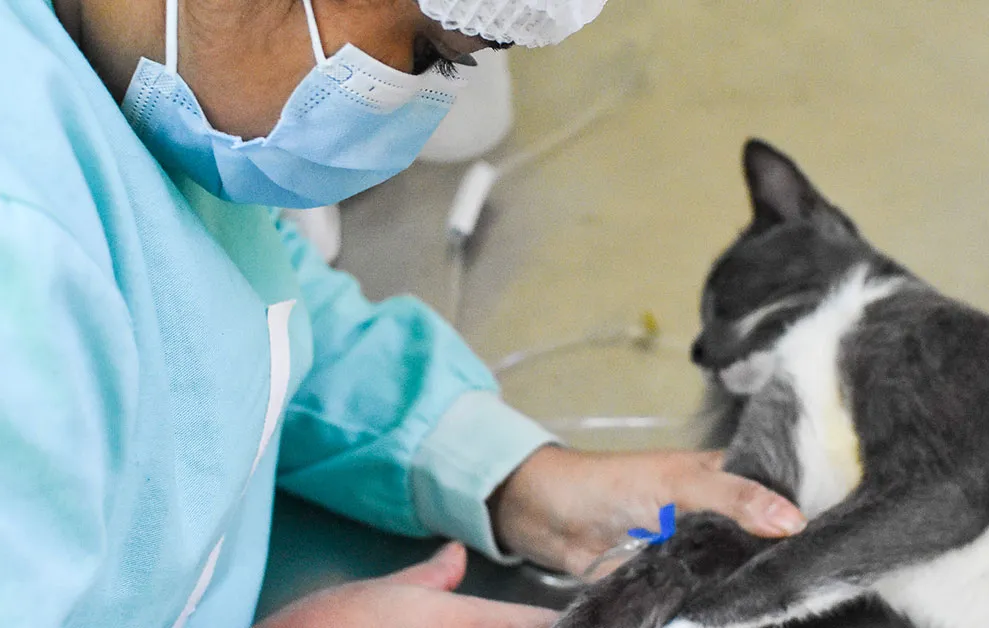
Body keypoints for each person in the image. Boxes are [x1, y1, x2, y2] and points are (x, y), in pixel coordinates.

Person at [0, 0, 809, 626]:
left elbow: (223, 302)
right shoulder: (23, 254)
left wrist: (519, 482)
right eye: (431, 52)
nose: (416, 103)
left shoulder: (135, 79)